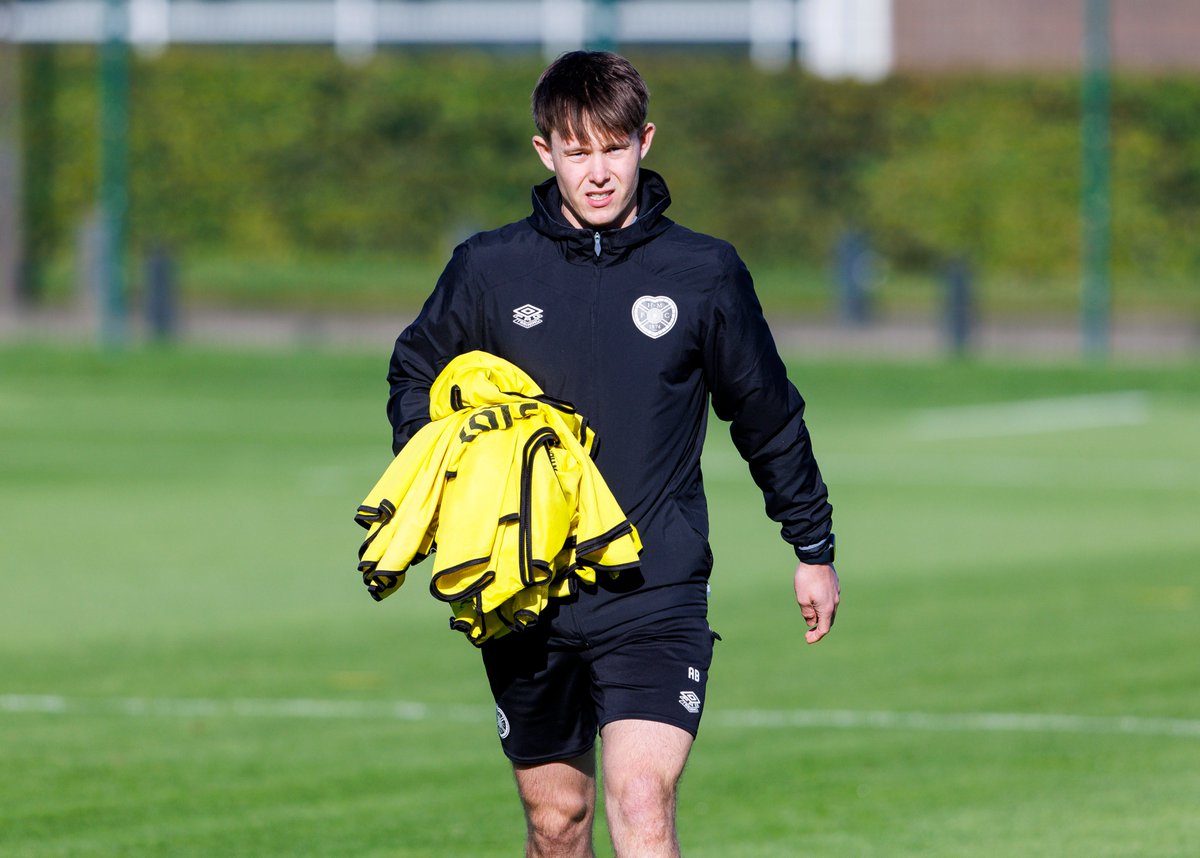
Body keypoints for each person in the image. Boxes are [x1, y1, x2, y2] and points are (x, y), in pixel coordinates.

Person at [385, 50, 839, 858]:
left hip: (652, 585)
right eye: (578, 150)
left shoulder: (703, 273)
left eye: (614, 148)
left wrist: (812, 546)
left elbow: (767, 415)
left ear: (645, 142)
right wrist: (448, 481)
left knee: (641, 798)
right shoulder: (488, 270)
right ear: (545, 153)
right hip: (523, 591)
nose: (598, 171)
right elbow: (417, 374)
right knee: (558, 823)